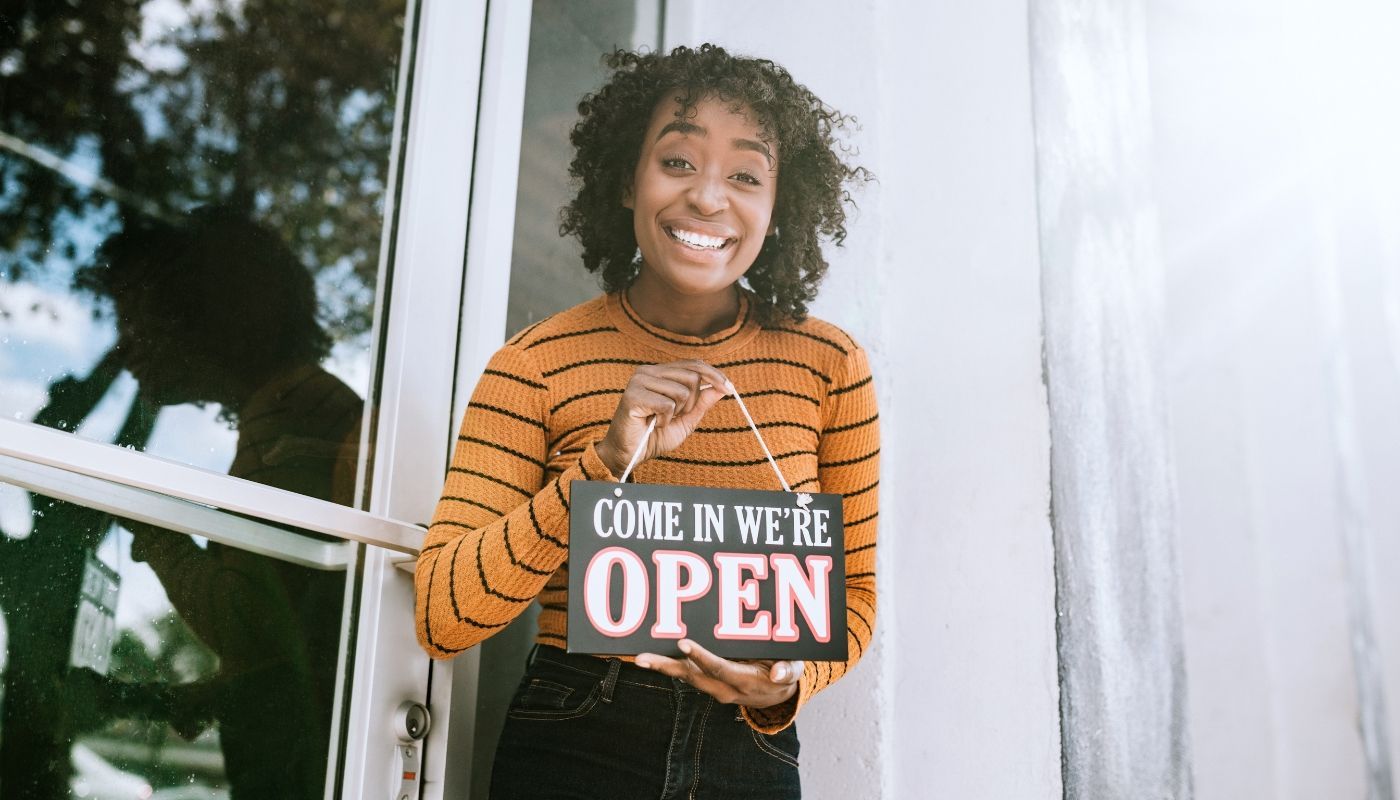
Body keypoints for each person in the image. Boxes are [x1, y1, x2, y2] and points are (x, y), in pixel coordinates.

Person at [414, 44, 878, 799]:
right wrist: (603, 462)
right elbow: (444, 615)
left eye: (746, 176)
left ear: (778, 207)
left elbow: (854, 594)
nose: (708, 197)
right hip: (576, 734)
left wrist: (788, 684)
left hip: (751, 752)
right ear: (627, 181)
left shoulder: (830, 367)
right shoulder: (533, 366)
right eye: (678, 162)